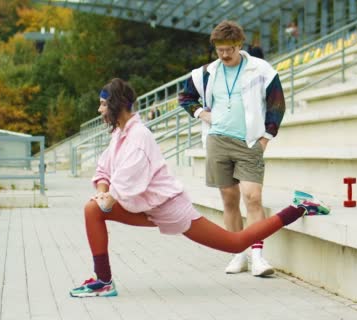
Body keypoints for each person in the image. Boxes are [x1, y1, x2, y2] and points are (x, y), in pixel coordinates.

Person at [69, 78, 330, 298]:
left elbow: (126, 183)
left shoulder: (139, 137)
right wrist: (103, 191)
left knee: (235, 243)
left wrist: (108, 197)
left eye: (104, 104)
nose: (100, 109)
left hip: (167, 207)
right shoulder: (120, 133)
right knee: (93, 210)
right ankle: (103, 282)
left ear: (117, 105)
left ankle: (299, 207)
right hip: (140, 204)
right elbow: (104, 169)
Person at [178, 20, 286, 277]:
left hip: (249, 141)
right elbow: (185, 97)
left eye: (229, 49)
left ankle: (258, 256)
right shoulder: (206, 72)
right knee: (229, 199)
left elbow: (277, 104)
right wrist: (202, 113)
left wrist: (266, 138)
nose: (224, 55)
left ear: (239, 45)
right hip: (217, 141)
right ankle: (238, 253)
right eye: (220, 50)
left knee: (253, 196)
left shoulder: (261, 69)